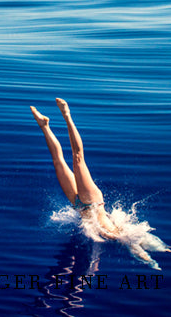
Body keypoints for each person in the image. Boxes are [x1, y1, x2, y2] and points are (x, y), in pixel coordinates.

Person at [30, 98, 122, 238]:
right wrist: (149, 260)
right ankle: (67, 115)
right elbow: (125, 240)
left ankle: (44, 125)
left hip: (78, 204)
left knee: (57, 161)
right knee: (78, 159)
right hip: (92, 202)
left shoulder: (114, 232)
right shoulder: (120, 235)